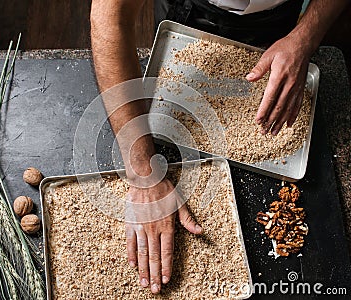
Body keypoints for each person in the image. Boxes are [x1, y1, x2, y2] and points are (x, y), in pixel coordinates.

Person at [90, 0, 348, 294]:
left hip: (282, 20)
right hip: (195, 15)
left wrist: (305, 36)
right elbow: (109, 18)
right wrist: (143, 170)